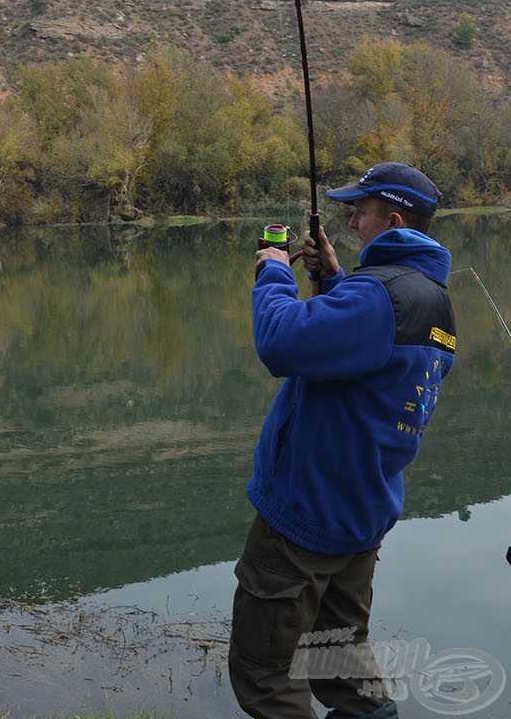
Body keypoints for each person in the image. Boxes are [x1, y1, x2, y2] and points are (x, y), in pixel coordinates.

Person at [228, 162, 457, 719]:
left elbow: (281, 343)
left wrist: (274, 270)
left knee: (266, 675)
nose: (351, 221)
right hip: (359, 519)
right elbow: (370, 370)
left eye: (360, 210)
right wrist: (333, 282)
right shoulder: (432, 301)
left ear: (393, 218)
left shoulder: (378, 297)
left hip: (306, 516)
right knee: (336, 660)